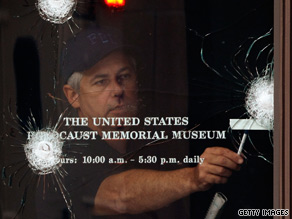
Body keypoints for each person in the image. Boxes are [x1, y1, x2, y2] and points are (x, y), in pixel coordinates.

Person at [36, 26, 243, 219]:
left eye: (124, 76)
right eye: (101, 81)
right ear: (73, 96)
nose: (118, 90)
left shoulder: (145, 149)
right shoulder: (63, 156)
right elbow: (119, 195)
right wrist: (194, 177)